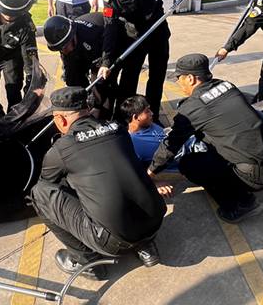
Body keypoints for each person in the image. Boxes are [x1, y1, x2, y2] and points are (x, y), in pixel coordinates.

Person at [29, 87, 167, 280]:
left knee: (39, 193)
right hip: (154, 220)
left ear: (60, 120)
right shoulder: (119, 128)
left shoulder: (62, 148)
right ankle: (145, 246)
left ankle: (87, 262)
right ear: (89, 109)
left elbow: (48, 183)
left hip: (113, 241)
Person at [147, 54, 263, 223]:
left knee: (189, 164)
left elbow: (171, 145)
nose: (178, 83)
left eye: (179, 78)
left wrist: (150, 172)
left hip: (256, 176)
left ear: (190, 78)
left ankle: (241, 204)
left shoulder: (192, 109)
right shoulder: (227, 86)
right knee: (209, 140)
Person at [99, 0, 205, 123]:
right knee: (128, 80)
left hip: (158, 32)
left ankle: (152, 115)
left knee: (157, 76)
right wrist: (106, 61)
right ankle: (124, 119)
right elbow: (110, 30)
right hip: (135, 38)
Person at [43, 12, 115, 117]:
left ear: (72, 37)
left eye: (64, 47)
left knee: (101, 84)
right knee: (72, 78)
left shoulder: (91, 36)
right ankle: (82, 111)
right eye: (60, 49)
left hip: (107, 44)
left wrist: (105, 63)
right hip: (82, 47)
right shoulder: (64, 44)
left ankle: (104, 118)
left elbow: (99, 66)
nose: (63, 51)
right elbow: (71, 73)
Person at [119, 94, 206, 168]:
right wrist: (154, 182)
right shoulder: (134, 144)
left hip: (189, 142)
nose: (152, 113)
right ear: (136, 117)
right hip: (188, 158)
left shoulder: (149, 124)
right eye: (147, 111)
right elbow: (135, 171)